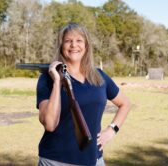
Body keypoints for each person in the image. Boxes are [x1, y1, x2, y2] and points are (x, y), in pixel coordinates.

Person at [36, 23, 131, 166]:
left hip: (95, 160)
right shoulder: (47, 79)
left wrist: (111, 130)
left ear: (86, 46)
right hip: (55, 161)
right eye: (68, 41)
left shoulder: (99, 76)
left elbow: (125, 104)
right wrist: (57, 81)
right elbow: (49, 124)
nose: (74, 45)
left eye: (79, 40)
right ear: (61, 45)